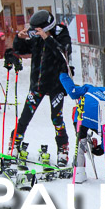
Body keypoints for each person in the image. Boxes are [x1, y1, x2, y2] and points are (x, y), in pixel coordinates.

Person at [11, 10, 72, 166]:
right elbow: (21, 50)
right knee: (25, 116)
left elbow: (63, 53)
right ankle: (14, 144)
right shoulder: (36, 38)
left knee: (56, 118)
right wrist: (19, 38)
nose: (35, 32)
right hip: (38, 84)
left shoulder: (61, 33)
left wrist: (48, 38)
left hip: (56, 85)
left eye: (38, 29)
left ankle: (62, 148)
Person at [59, 73, 105, 184]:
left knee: (80, 140)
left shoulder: (90, 88)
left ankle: (79, 172)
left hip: (81, 117)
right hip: (101, 117)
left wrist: (63, 76)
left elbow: (73, 92)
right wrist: (102, 148)